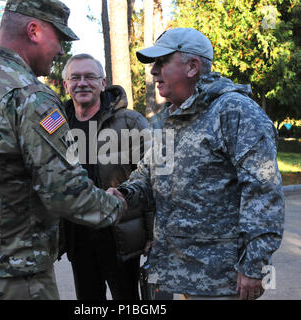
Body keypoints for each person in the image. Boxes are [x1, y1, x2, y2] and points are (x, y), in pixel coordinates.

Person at [0, 0, 126, 300]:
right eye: (60, 39)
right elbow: (64, 190)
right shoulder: (31, 96)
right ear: (35, 30)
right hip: (12, 275)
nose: (60, 51)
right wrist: (116, 205)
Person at [108, 27, 285, 300]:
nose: (153, 72)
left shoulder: (234, 111)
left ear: (192, 66)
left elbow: (263, 191)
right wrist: (124, 193)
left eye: (162, 62)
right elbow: (148, 174)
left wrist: (254, 265)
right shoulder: (171, 118)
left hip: (219, 281)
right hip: (173, 274)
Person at [61, 53, 153, 300]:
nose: (82, 83)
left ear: (103, 84)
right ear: (65, 85)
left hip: (120, 235)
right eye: (75, 77)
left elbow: (155, 176)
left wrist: (153, 232)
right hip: (77, 236)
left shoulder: (130, 122)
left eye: (90, 76)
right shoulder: (55, 125)